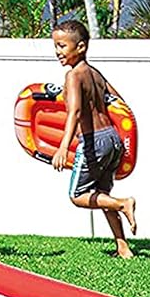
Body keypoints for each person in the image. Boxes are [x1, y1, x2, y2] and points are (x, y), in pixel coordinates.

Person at [50, 19, 137, 258]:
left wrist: (63, 147)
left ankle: (123, 203)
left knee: (78, 195)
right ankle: (123, 247)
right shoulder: (95, 74)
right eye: (56, 46)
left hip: (93, 142)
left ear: (81, 47)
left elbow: (75, 112)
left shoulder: (73, 76)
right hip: (112, 139)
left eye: (62, 46)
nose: (57, 51)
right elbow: (118, 102)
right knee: (102, 195)